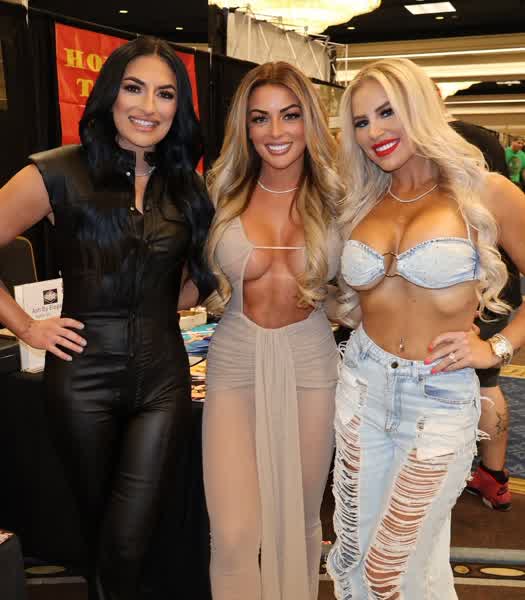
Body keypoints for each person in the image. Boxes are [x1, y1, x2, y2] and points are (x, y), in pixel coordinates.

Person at [0, 36, 215, 600]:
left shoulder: (187, 187)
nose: (148, 106)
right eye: (134, 88)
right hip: (82, 379)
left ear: (179, 107)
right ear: (109, 94)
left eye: (165, 94)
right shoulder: (57, 171)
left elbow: (188, 287)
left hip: (162, 379)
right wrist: (26, 326)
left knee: (128, 537)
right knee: (103, 532)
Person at [327, 58, 525, 599]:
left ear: (420, 106)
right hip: (362, 386)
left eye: (387, 112)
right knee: (352, 556)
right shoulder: (361, 199)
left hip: (436, 399)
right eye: (361, 121)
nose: (374, 132)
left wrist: (495, 348)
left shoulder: (484, 192)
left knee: (390, 569)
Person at [204, 61, 342, 600]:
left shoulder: (341, 196)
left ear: (310, 121)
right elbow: (182, 277)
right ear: (245, 126)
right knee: (233, 534)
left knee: (300, 520)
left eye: (290, 115)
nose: (276, 131)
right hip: (235, 358)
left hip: (311, 357)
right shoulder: (219, 191)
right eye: (260, 118)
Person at [450, 120, 521, 510]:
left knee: (485, 381)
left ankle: (490, 476)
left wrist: (498, 348)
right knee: (487, 383)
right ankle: (494, 477)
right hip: (495, 286)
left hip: (479, 291)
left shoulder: (461, 144)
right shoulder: (479, 140)